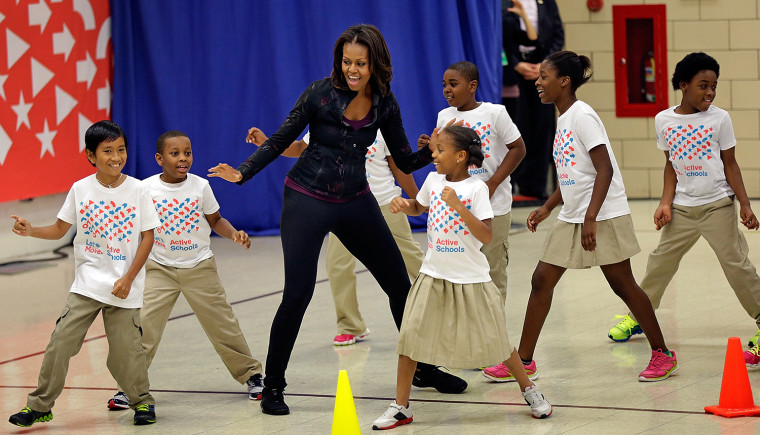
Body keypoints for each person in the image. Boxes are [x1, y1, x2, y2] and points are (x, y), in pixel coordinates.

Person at [208, 24, 466, 416]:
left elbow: (402, 160)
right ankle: (273, 387)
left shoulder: (385, 102)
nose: (352, 69)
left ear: (375, 63)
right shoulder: (318, 92)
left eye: (360, 63)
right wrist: (242, 173)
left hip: (355, 199)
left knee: (401, 286)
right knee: (298, 294)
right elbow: (280, 139)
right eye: (347, 61)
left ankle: (423, 369)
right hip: (306, 199)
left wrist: (434, 150)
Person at [483, 51, 678, 384]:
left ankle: (663, 353)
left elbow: (604, 169)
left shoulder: (582, 116)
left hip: (603, 214)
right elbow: (575, 173)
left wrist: (591, 218)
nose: (538, 83)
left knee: (623, 285)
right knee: (541, 279)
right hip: (574, 214)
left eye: (544, 77)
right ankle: (524, 361)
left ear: (564, 81)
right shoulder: (564, 117)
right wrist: (548, 206)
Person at [371, 126, 552, 430]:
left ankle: (530, 391)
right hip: (433, 274)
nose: (434, 155)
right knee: (409, 337)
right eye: (434, 150)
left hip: (470, 278)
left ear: (461, 156)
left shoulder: (476, 189)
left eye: (440, 150)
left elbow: (485, 234)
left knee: (498, 342)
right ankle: (401, 407)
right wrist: (406, 206)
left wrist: (458, 206)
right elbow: (420, 207)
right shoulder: (432, 180)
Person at [602, 53, 760, 368]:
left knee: (737, 266)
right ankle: (637, 318)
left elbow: (730, 164)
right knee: (660, 263)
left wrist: (744, 203)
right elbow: (670, 166)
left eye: (714, 86)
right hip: (682, 209)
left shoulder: (720, 118)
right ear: (684, 86)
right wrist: (664, 202)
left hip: (717, 205)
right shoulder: (664, 120)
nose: (710, 93)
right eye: (703, 86)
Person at [8, 121, 159, 427]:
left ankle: (142, 402)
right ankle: (39, 406)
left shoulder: (139, 189)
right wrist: (32, 230)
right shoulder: (80, 189)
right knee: (61, 342)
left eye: (121, 150)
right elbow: (60, 229)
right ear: (91, 156)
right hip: (87, 285)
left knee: (124, 356)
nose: (116, 157)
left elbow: (148, 237)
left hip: (123, 288)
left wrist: (128, 279)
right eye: (107, 151)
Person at [106, 130, 265, 411]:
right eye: (175, 153)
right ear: (159, 158)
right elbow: (136, 231)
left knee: (223, 324)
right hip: (159, 268)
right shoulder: (145, 189)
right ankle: (128, 387)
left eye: (187, 153)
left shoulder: (201, 186)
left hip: (199, 266)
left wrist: (234, 234)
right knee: (143, 328)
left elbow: (215, 220)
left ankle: (252, 374)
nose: (183, 159)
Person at [246, 128, 425, 346]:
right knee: (337, 265)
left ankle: (442, 312)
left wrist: (417, 199)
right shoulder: (325, 122)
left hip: (387, 204)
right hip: (346, 207)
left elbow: (398, 166)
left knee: (412, 259)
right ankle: (351, 325)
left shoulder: (380, 125)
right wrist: (266, 142)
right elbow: (300, 149)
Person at [426, 60, 525, 301]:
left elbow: (518, 149)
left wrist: (491, 184)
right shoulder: (444, 117)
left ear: (472, 86)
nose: (447, 89)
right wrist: (431, 149)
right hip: (456, 209)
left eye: (453, 84)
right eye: (444, 85)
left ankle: (496, 338)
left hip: (494, 207)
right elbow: (445, 160)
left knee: (493, 274)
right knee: (460, 275)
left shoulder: (494, 113)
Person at [506, 0, 564, 199]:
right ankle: (511, 184)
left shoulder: (546, 3)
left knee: (542, 125)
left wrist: (545, 66)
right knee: (516, 125)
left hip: (541, 64)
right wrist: (515, 63)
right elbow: (497, 39)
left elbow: (557, 35)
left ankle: (535, 186)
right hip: (512, 70)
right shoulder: (503, 3)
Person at [501, 0, 538, 121]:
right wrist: (515, 64)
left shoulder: (508, 10)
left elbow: (532, 39)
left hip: (509, 79)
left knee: (512, 123)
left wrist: (523, 15)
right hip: (494, 77)